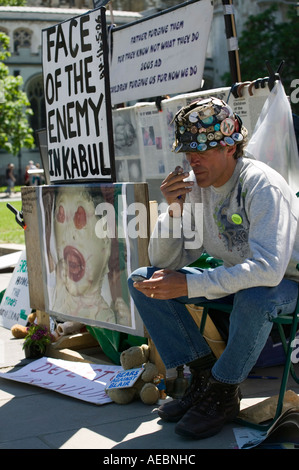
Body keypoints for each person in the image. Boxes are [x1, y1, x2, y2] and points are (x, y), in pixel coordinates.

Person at [128, 97, 299, 440]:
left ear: (229, 147)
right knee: (143, 281)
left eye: (200, 153)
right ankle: (203, 376)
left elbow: (268, 271)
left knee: (255, 296)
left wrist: (190, 286)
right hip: (243, 279)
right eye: (188, 154)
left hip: (286, 283)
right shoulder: (197, 187)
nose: (192, 161)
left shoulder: (259, 183)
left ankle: (223, 391)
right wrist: (172, 211)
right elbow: (163, 261)